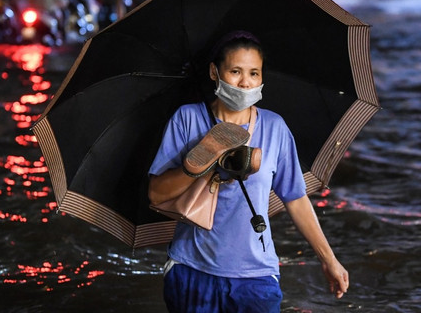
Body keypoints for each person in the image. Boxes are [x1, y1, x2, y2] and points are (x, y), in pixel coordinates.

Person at [148, 31, 349, 312]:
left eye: (254, 73)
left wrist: (328, 259)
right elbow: (156, 194)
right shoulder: (188, 118)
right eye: (235, 71)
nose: (245, 82)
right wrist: (203, 163)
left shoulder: (275, 127)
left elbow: (295, 198)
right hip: (192, 269)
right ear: (214, 72)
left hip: (256, 277)